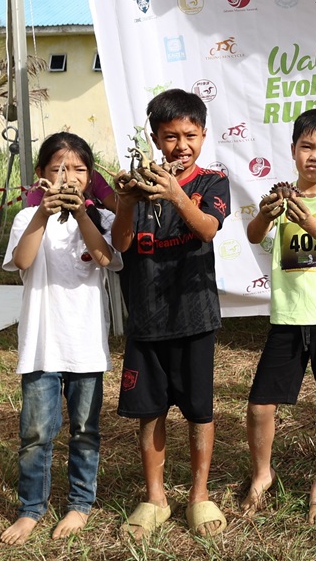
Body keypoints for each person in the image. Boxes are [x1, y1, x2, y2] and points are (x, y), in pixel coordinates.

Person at [111, 89, 231, 539]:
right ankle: (155, 498)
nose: (180, 146)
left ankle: (199, 495)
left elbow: (206, 230)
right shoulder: (139, 185)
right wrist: (126, 201)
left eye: (189, 135)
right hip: (146, 320)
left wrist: (176, 193)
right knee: (150, 411)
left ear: (203, 135)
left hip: (196, 317)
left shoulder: (212, 183)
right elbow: (121, 244)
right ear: (155, 139)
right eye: (169, 137)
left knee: (200, 411)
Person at [0, 132, 123, 545]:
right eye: (57, 169)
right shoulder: (26, 218)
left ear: (89, 177)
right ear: (41, 177)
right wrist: (42, 215)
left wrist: (84, 214)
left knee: (85, 431)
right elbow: (22, 260)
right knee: (35, 433)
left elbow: (106, 259)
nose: (68, 178)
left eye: (78, 170)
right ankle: (31, 508)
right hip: (41, 346)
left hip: (85, 347)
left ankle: (79, 504)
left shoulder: (102, 219)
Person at [242, 108, 316, 524]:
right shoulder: (279, 198)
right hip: (287, 319)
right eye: (307, 146)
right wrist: (267, 213)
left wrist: (305, 216)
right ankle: (261, 475)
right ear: (293, 150)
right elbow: (255, 236)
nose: (315, 155)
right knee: (259, 406)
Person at [26, 170, 117, 211]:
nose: (70, 179)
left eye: (79, 170)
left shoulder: (106, 219)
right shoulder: (36, 193)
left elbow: (115, 206)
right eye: (59, 170)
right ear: (40, 173)